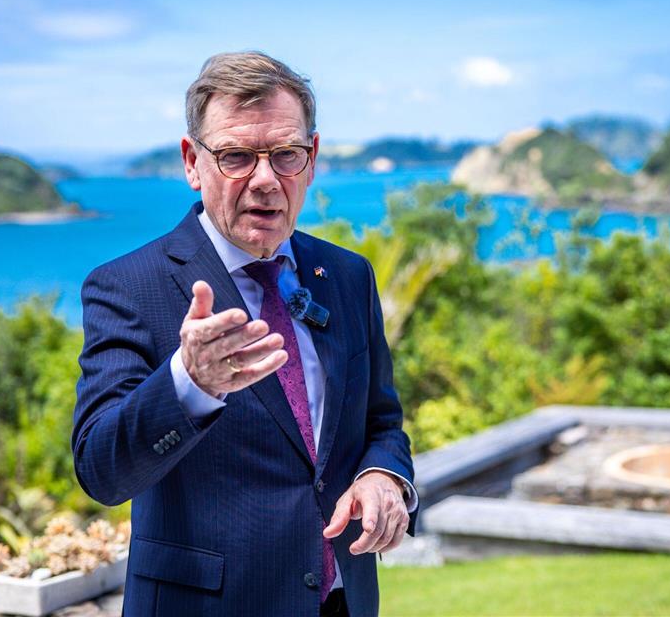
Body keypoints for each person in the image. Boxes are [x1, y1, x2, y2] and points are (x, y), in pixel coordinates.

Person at [73, 51, 417, 617]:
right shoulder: (127, 286)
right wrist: (190, 382)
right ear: (192, 161)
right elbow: (100, 471)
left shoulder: (349, 276)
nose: (265, 180)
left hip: (343, 602)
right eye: (235, 156)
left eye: (286, 154)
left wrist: (385, 475)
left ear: (312, 159)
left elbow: (382, 422)